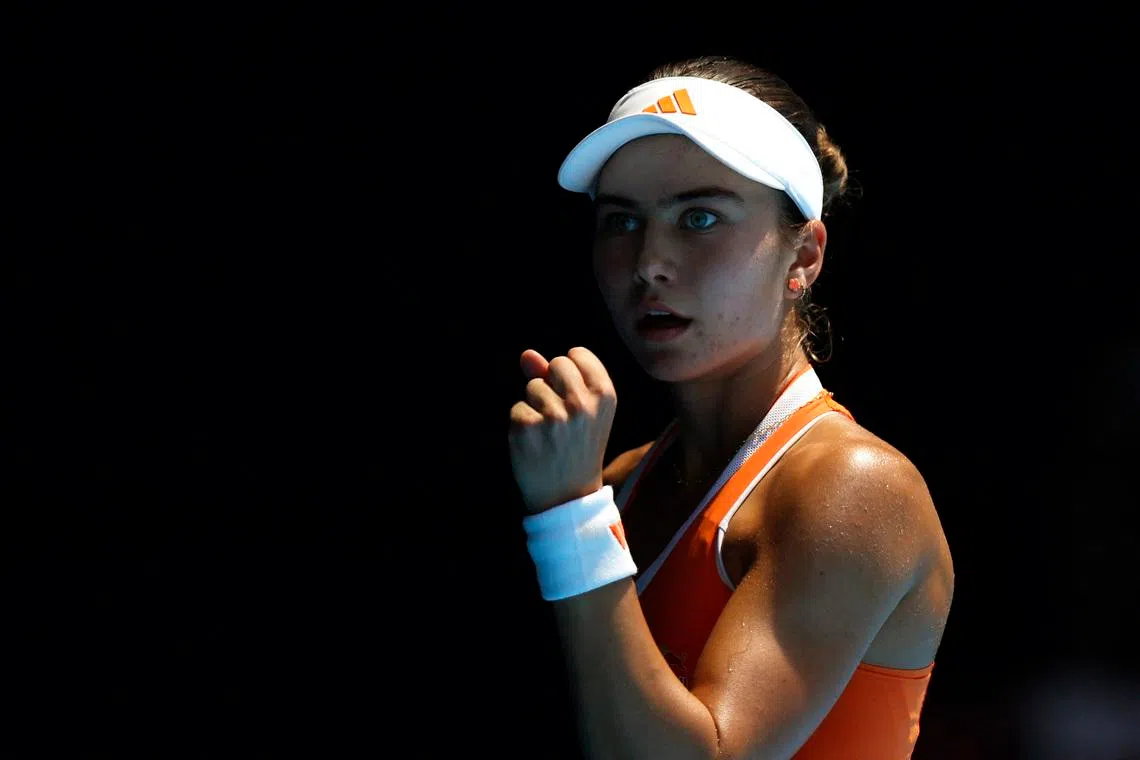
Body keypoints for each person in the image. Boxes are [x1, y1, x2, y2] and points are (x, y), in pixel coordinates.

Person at [507, 55, 954, 759]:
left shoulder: (856, 487)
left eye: (700, 217)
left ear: (803, 257)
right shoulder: (617, 484)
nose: (650, 259)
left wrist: (568, 516)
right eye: (622, 222)